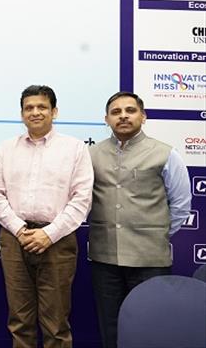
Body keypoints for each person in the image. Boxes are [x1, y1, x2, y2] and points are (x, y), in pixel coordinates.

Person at [0, 85, 93, 348]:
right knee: (19, 320)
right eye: (29, 108)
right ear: (22, 113)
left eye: (42, 107)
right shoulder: (5, 149)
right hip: (14, 239)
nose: (35, 112)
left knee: (56, 323)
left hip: (58, 240)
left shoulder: (75, 149)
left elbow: (82, 199)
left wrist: (48, 234)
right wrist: (20, 230)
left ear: (54, 111)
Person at [89, 92, 191, 348]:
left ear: (143, 116)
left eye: (130, 110)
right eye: (116, 112)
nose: (123, 116)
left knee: (151, 327)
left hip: (150, 261)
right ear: (106, 119)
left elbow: (180, 205)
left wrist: (155, 234)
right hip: (105, 260)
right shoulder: (91, 154)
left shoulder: (165, 153)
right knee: (110, 326)